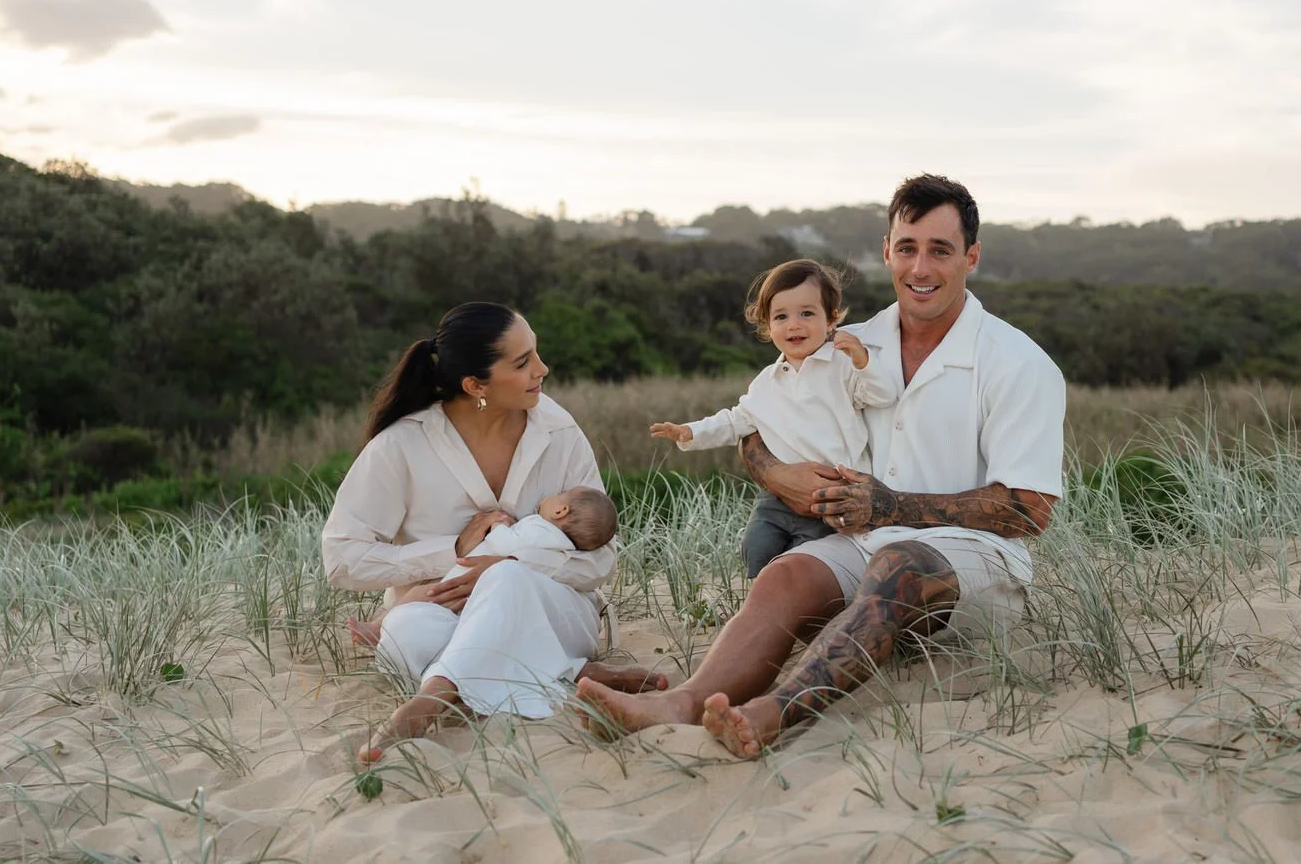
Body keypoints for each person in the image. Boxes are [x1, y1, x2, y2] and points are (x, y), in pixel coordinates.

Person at [578, 174, 1065, 758]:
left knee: (900, 560)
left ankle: (773, 712)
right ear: (886, 250)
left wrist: (894, 506)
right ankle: (684, 702)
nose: (920, 267)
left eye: (941, 250)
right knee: (785, 572)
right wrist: (776, 474)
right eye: (907, 247)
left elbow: (1031, 511)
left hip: (974, 568)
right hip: (862, 541)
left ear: (972, 257)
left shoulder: (1017, 363)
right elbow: (757, 424)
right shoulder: (840, 343)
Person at [321, 302, 662, 763]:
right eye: (523, 363)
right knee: (406, 634)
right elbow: (341, 559)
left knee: (507, 580)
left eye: (535, 354)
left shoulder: (558, 432)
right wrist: (453, 553)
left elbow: (602, 559)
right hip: (440, 612)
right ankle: (576, 672)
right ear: (475, 386)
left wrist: (509, 564)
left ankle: (435, 695)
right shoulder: (402, 444)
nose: (543, 369)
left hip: (548, 610)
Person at [649, 258, 898, 577]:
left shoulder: (842, 366)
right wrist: (690, 432)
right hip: (777, 497)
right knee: (756, 547)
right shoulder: (766, 382)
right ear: (768, 327)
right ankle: (763, 605)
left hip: (833, 498)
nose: (794, 324)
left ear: (832, 319)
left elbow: (883, 396)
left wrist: (864, 361)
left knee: (807, 562)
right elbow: (735, 420)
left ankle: (802, 614)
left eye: (807, 313)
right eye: (781, 316)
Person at [346, 486, 619, 649]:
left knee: (421, 596)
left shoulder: (539, 527)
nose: (552, 496)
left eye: (560, 495)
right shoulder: (564, 544)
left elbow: (504, 545)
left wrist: (499, 524)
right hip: (488, 594)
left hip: (466, 579)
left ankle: (378, 628)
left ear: (560, 512)